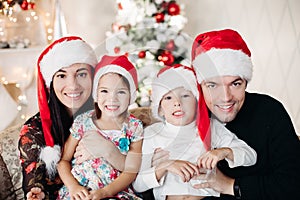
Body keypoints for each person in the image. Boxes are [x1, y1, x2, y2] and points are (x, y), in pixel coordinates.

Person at [190, 29, 300, 199]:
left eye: (235, 84)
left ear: (246, 82)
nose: (226, 98)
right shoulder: (186, 120)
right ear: (200, 86)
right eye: (213, 85)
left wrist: (230, 185)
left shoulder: (269, 111)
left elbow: (293, 184)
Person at [18, 36, 123, 200]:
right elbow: (34, 184)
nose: (73, 85)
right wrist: (37, 194)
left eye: (81, 74)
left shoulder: (109, 114)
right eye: (61, 76)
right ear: (51, 82)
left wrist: (109, 151)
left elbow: (136, 164)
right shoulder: (34, 130)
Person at [132, 64, 257, 200]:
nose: (177, 103)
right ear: (160, 108)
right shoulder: (151, 134)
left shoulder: (210, 127)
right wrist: (165, 166)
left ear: (197, 102)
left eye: (185, 95)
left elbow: (251, 156)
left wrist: (224, 151)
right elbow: (138, 185)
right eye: (168, 98)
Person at [57, 55, 143, 200]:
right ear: (96, 94)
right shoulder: (83, 122)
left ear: (131, 96)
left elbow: (131, 171)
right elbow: (63, 161)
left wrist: (105, 192)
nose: (112, 99)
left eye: (121, 92)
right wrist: (73, 186)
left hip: (114, 191)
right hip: (80, 189)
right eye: (104, 91)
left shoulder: (134, 126)